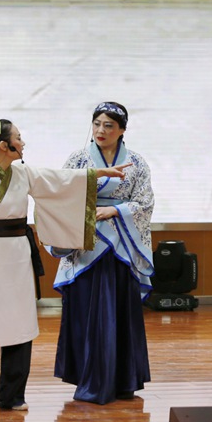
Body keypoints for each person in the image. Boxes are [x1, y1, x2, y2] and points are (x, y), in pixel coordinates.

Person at [0, 117, 129, 412]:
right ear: (4, 145)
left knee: (19, 325)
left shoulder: (23, 173)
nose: (23, 142)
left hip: (18, 257)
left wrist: (98, 173)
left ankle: (12, 396)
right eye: (18, 137)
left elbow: (59, 180)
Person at [50, 101, 154, 405]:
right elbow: (61, 194)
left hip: (122, 246)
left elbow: (145, 203)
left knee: (119, 315)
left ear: (122, 130)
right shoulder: (78, 159)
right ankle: (89, 379)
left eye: (109, 125)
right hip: (85, 245)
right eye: (97, 124)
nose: (101, 130)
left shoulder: (136, 162)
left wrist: (115, 210)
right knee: (85, 314)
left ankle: (122, 381)